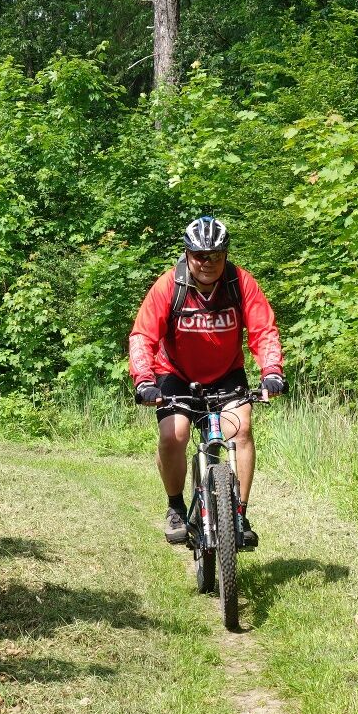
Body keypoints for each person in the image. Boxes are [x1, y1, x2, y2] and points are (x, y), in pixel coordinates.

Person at [128, 216, 287, 546]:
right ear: (188, 254)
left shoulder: (240, 283)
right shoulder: (169, 286)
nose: (208, 262)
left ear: (225, 255)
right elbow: (143, 336)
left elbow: (264, 330)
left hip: (226, 374)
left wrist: (272, 371)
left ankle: (239, 515)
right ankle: (175, 507)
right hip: (175, 375)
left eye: (216, 255)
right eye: (200, 255)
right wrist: (144, 381)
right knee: (174, 435)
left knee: (241, 430)